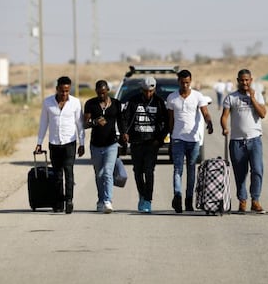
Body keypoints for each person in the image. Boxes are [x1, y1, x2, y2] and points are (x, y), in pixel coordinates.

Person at [35, 76, 85, 214]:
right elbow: (43, 123)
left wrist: (82, 143)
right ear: (57, 89)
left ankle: (69, 200)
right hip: (54, 143)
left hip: (70, 143)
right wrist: (39, 143)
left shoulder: (75, 103)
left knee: (68, 172)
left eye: (67, 91)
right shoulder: (47, 103)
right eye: (62, 91)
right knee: (57, 175)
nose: (64, 94)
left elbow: (79, 124)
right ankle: (58, 202)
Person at [220, 69, 266, 214]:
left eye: (247, 80)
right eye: (242, 80)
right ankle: (242, 200)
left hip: (254, 140)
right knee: (240, 173)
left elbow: (263, 114)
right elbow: (224, 116)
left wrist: (252, 99)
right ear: (238, 80)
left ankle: (255, 200)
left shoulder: (257, 95)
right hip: (237, 142)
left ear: (251, 80)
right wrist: (224, 127)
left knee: (257, 170)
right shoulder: (231, 97)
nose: (244, 83)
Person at [167, 69, 213, 213]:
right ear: (178, 81)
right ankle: (178, 196)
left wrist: (209, 122)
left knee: (191, 170)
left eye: (187, 82)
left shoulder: (198, 96)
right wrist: (170, 137)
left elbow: (205, 112)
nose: (185, 85)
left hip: (193, 140)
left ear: (190, 81)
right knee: (178, 169)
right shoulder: (172, 98)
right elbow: (171, 119)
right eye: (182, 82)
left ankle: (189, 200)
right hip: (177, 139)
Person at [122, 76, 169, 213]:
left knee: (149, 171)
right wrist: (125, 132)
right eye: (145, 91)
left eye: (150, 91)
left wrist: (159, 139)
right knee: (137, 171)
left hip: (152, 143)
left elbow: (166, 123)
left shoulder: (159, 102)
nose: (148, 94)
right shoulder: (133, 101)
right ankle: (142, 195)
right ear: (141, 89)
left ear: (154, 89)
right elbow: (125, 118)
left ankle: (148, 200)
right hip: (136, 142)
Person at [84, 80, 126, 213]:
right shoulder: (91, 104)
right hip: (96, 145)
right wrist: (94, 122)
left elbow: (120, 121)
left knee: (108, 173)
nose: (101, 95)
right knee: (99, 174)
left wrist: (124, 134)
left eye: (103, 92)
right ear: (96, 92)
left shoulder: (116, 104)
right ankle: (100, 200)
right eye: (99, 93)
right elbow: (84, 124)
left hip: (111, 144)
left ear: (108, 90)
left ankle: (108, 201)